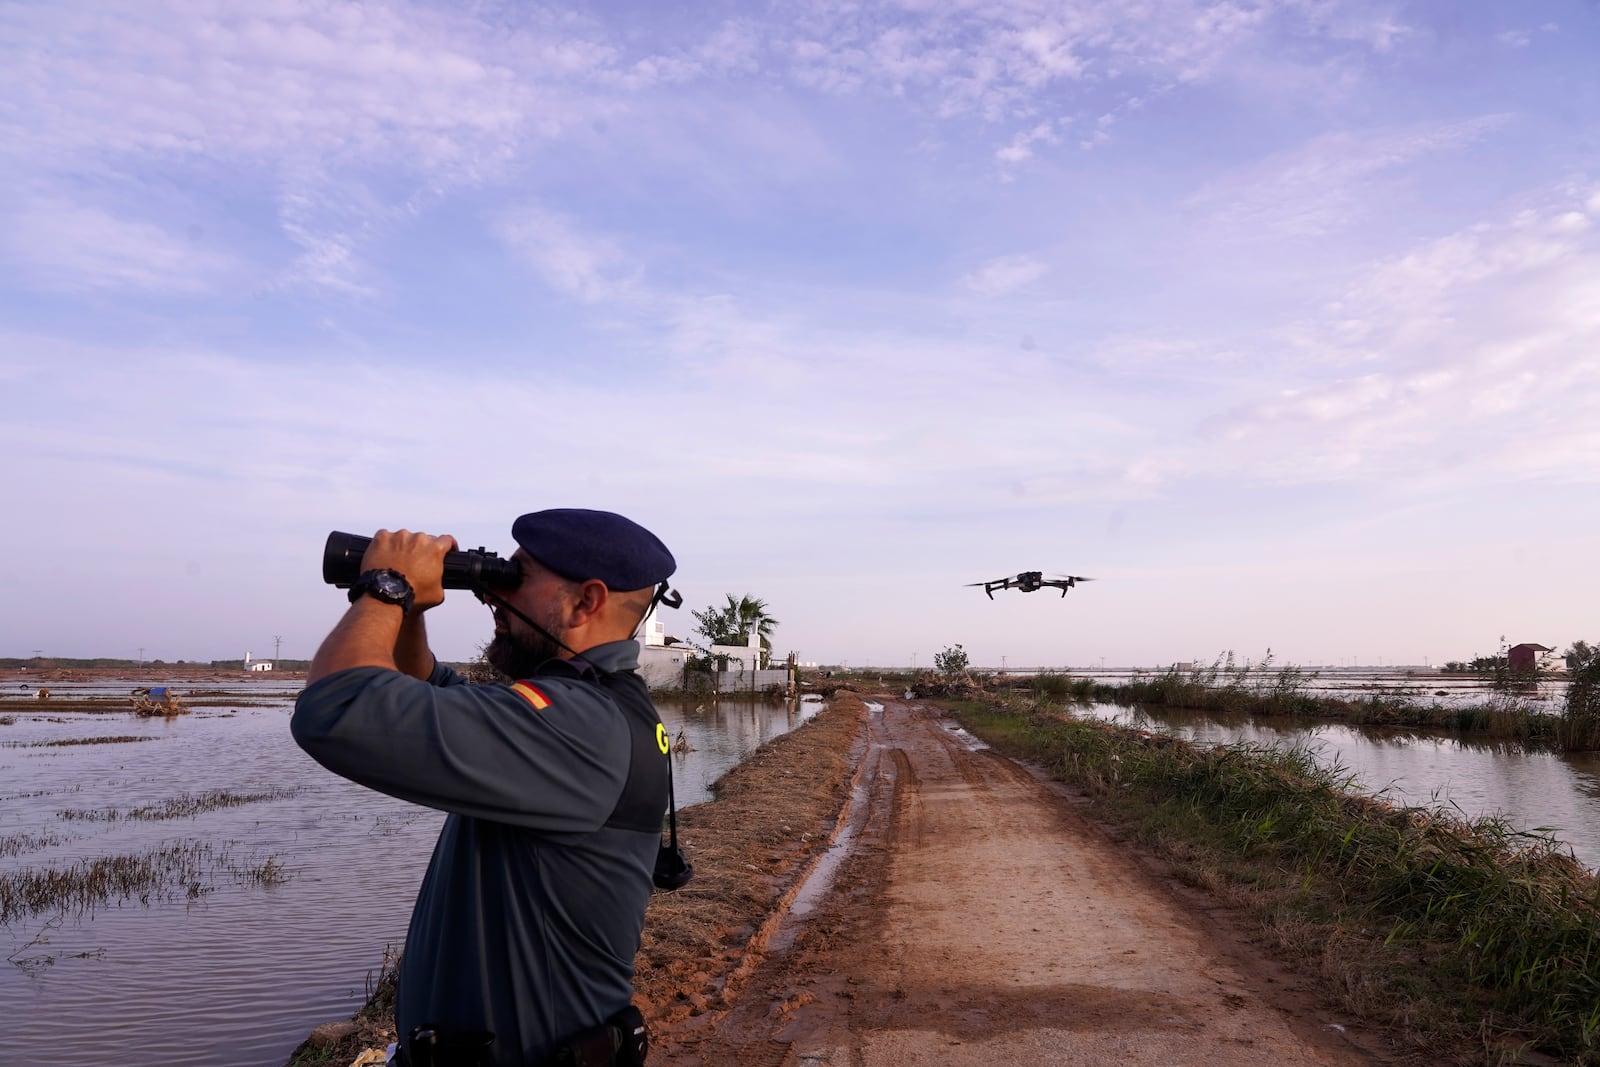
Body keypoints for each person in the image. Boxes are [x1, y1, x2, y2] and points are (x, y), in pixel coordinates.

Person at [292, 508, 677, 1067]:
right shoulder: (594, 708)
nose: (492, 594)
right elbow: (424, 685)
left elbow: (337, 709)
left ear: (584, 602)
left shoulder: (579, 726)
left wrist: (387, 585)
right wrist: (414, 612)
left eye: (514, 576)